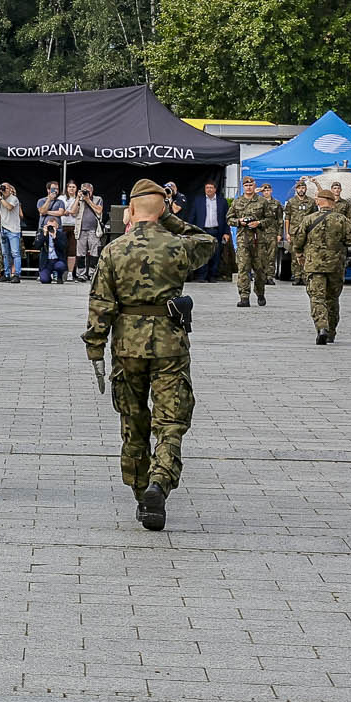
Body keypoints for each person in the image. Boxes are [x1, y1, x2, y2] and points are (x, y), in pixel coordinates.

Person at [81, 178, 214, 532]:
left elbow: (100, 304)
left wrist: (95, 346)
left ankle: (142, 493)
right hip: (169, 345)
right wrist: (168, 218)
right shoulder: (178, 246)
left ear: (130, 210)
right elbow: (208, 242)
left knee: (133, 418)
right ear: (164, 209)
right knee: (170, 421)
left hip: (127, 346)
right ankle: (160, 480)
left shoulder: (114, 250)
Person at [296, 184, 351, 345]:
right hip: (335, 265)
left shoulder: (309, 219)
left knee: (317, 297)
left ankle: (322, 328)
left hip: (314, 265)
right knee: (332, 299)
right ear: (332, 202)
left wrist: (299, 254)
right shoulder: (342, 220)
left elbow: (298, 241)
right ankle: (331, 332)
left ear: (319, 201)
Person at [230, 180, 280, 307]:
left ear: (254, 186)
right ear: (243, 187)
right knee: (243, 268)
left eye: (250, 185)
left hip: (259, 241)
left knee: (260, 270)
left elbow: (270, 219)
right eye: (246, 185)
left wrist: (259, 223)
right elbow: (229, 218)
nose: (248, 188)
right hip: (243, 240)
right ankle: (244, 296)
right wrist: (239, 221)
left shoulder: (262, 202)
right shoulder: (237, 202)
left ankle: (260, 292)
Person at [190, 180, 228, 282]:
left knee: (215, 254)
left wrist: (226, 232)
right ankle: (201, 276)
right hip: (202, 231)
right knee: (202, 254)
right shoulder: (198, 200)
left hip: (216, 231)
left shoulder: (222, 201)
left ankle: (213, 276)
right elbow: (193, 216)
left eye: (211, 188)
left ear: (215, 189)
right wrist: (191, 230)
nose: (209, 190)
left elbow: (226, 218)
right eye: (207, 188)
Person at [0, 183, 22, 282]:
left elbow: (9, 207)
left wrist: (0, 198)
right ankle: (6, 274)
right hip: (3, 229)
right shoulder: (0, 199)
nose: (3, 190)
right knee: (5, 253)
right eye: (2, 188)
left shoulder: (14, 198)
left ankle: (17, 275)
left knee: (15, 253)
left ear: (10, 189)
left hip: (13, 230)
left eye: (5, 188)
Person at [283, 178, 316, 285]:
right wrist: (287, 233)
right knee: (295, 255)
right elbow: (287, 218)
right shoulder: (291, 202)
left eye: (303, 187)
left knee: (307, 254)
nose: (301, 190)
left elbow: (315, 217)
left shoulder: (311, 202)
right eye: (299, 188)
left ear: (306, 189)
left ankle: (305, 276)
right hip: (294, 232)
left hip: (307, 232)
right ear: (296, 189)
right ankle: (297, 276)